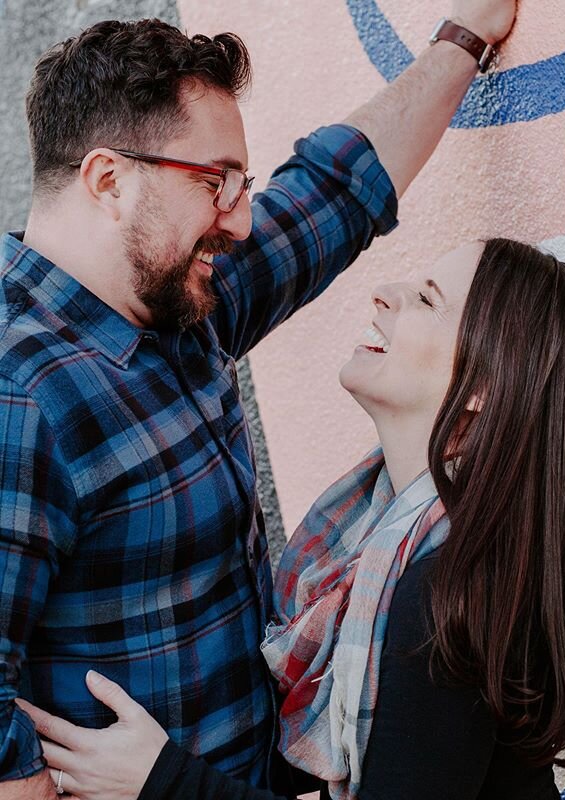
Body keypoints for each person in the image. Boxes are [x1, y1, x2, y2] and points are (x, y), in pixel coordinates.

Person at [0, 2, 517, 798]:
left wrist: (464, 37)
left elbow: (334, 193)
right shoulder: (21, 392)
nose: (240, 219)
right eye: (219, 183)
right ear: (109, 180)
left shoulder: (179, 301)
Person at [23, 238, 565, 800]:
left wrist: (163, 780)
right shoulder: (387, 542)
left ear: (483, 384)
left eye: (426, 299)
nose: (385, 294)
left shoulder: (450, 592)